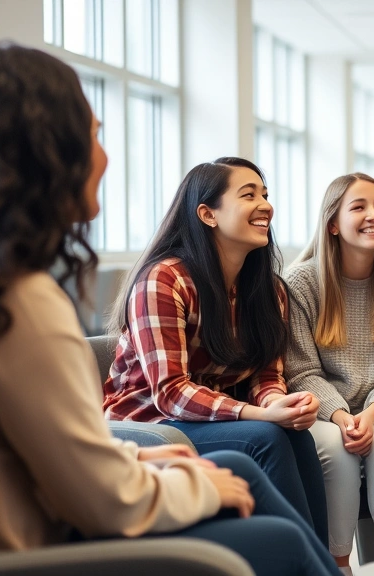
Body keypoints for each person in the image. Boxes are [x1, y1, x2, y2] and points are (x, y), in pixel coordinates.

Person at [0, 42, 341, 576]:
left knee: (268, 441)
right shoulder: (31, 304)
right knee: (266, 478)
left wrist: (275, 404)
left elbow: (50, 457)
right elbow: (159, 407)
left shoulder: (268, 288)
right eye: (95, 135)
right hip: (138, 436)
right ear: (51, 152)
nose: (104, 156)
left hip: (86, 491)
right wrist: (207, 461)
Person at [101, 157, 328, 542]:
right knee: (266, 437)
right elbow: (170, 392)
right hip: (145, 423)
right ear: (207, 214)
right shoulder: (163, 281)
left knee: (294, 434)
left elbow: (267, 374)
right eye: (248, 194)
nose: (265, 204)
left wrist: (277, 405)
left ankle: (320, 563)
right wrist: (260, 415)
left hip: (210, 419)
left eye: (266, 194)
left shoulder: (268, 290)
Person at [285, 173, 374, 573]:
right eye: (358, 207)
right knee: (335, 451)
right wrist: (343, 417)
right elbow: (301, 370)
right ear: (332, 223)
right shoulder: (301, 282)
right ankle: (337, 565)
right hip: (325, 409)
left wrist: (373, 412)